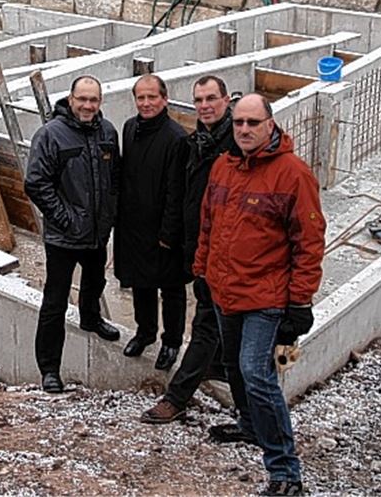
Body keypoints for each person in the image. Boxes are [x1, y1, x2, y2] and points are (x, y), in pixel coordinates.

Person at [193, 93, 325, 497]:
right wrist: (202, 270)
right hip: (224, 291)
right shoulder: (223, 166)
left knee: (257, 374)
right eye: (239, 124)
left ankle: (285, 471)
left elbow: (309, 242)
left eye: (253, 123)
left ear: (271, 124)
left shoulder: (293, 174)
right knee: (233, 364)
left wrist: (300, 303)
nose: (245, 130)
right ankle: (250, 427)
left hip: (265, 298)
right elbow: (208, 225)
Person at [141, 75, 236, 424]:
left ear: (226, 100)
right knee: (224, 326)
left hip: (228, 256)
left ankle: (177, 396)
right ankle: (222, 374)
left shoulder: (235, 145)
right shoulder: (197, 141)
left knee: (206, 324)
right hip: (203, 249)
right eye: (199, 100)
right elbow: (186, 197)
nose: (205, 106)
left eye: (212, 98)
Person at [24, 75, 121, 394]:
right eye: (82, 99)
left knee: (95, 282)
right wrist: (66, 219)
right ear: (70, 98)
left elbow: (114, 179)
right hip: (64, 237)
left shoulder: (107, 132)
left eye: (93, 100)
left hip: (96, 234)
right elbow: (36, 183)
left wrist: (107, 217)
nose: (88, 105)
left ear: (100, 102)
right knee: (55, 301)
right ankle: (49, 369)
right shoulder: (50, 135)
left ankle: (91, 319)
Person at [114, 74, 187, 371]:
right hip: (134, 225)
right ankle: (145, 332)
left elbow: (176, 190)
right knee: (141, 284)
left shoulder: (177, 138)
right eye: (140, 98)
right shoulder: (130, 128)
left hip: (163, 231)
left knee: (171, 288)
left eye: (152, 97)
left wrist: (168, 234)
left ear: (164, 99)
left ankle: (171, 341)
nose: (146, 103)